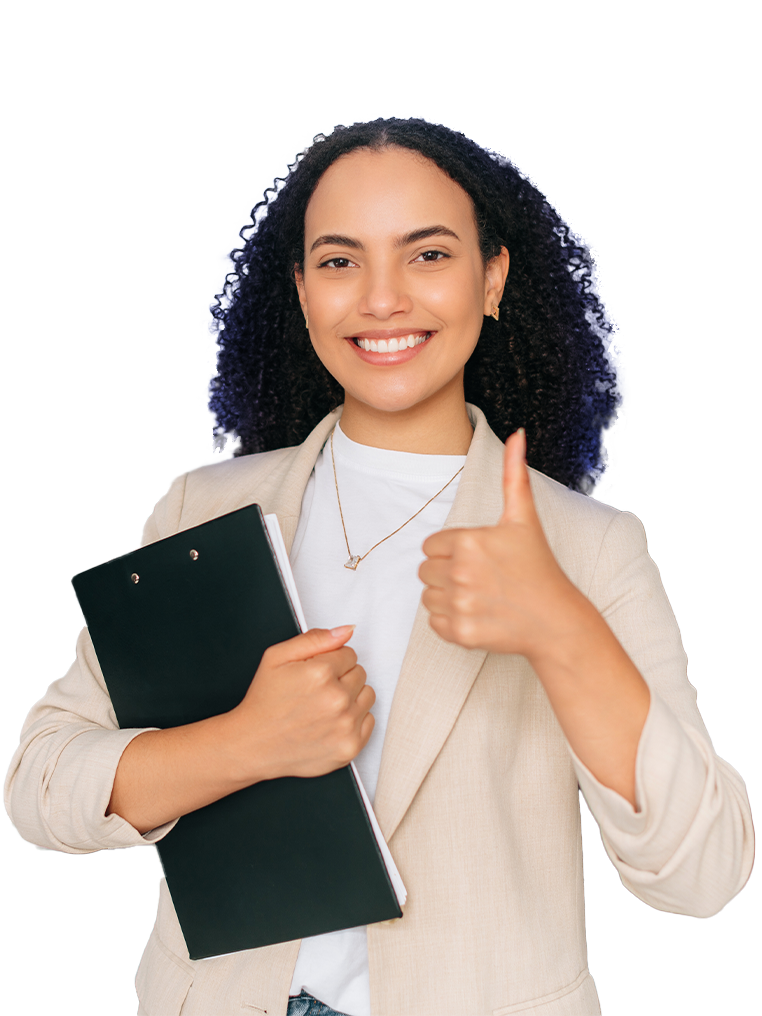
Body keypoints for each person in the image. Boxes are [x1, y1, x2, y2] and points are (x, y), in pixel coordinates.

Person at [5, 117, 754, 1016]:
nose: (382, 298)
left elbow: (700, 872)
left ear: (493, 278)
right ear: (302, 290)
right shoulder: (203, 512)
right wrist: (246, 743)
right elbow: (42, 787)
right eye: (340, 260)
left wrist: (562, 632)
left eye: (428, 255)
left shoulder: (588, 548)